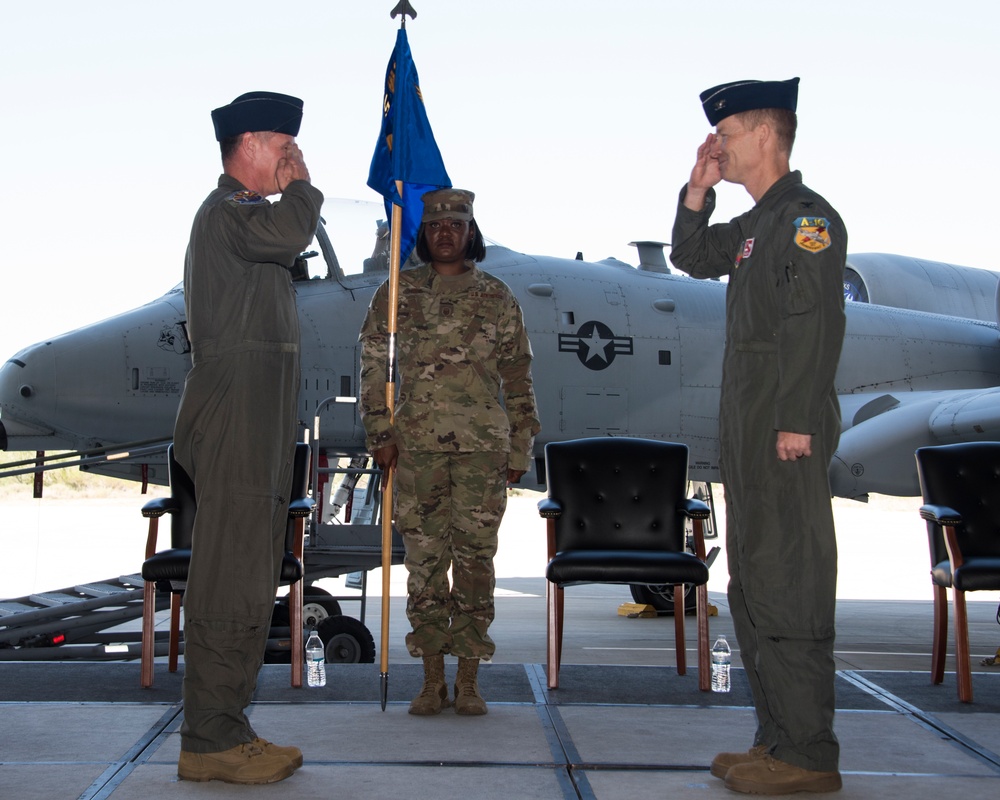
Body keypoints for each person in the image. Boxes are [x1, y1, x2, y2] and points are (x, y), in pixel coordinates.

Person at [669, 78, 847, 795]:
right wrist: (696, 189)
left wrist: (797, 419)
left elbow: (815, 324)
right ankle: (775, 737)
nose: (719, 146)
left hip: (782, 428)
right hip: (751, 429)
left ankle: (810, 753)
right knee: (754, 586)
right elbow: (688, 254)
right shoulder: (753, 227)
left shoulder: (807, 220)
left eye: (729, 134)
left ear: (768, 135)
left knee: (790, 581)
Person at [172, 91, 323, 784]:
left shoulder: (250, 218)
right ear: (249, 145)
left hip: (258, 414)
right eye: (282, 145)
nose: (292, 156)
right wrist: (304, 188)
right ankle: (209, 738)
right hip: (234, 411)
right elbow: (289, 236)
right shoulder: (231, 211)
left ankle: (227, 727)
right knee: (230, 571)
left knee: (250, 569)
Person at [359, 189, 540, 716]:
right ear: (424, 233)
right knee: (425, 564)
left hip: (483, 451)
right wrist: (381, 434)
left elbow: (518, 374)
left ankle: (469, 681)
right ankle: (431, 678)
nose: (445, 233)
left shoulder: (497, 295)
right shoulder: (397, 294)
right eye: (436, 225)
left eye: (456, 224)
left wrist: (520, 443)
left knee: (476, 563)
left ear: (470, 232)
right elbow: (374, 365)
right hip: (416, 450)